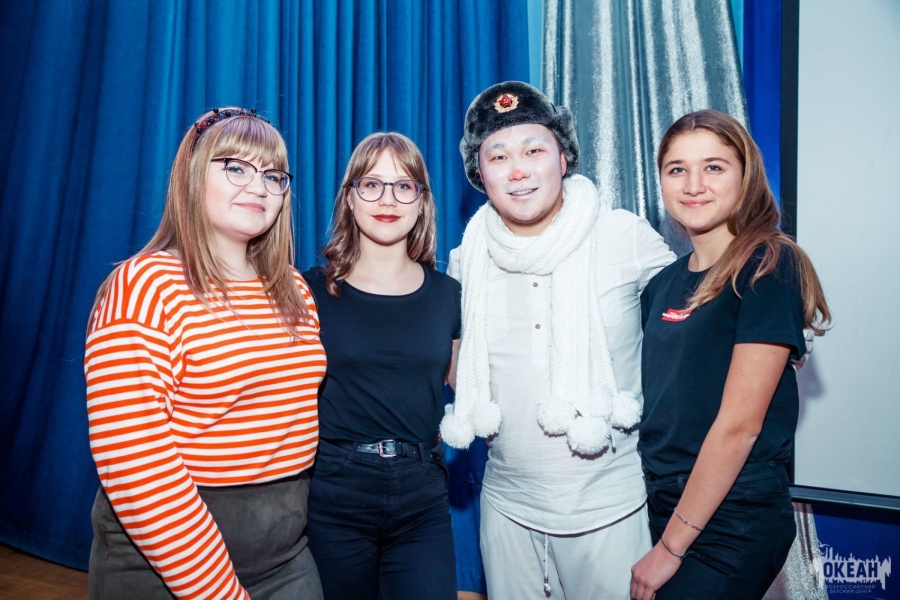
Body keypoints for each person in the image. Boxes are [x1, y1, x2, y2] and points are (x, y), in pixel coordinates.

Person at [439, 81, 675, 599]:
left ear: (564, 157)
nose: (517, 170)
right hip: (506, 510)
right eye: (498, 156)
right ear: (480, 174)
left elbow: (697, 321)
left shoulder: (624, 236)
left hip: (611, 509)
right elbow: (453, 368)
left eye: (533, 150)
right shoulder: (465, 260)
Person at [84, 107, 325, 599]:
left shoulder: (295, 289)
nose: (258, 186)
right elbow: (135, 464)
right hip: (162, 558)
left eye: (273, 175)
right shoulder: (145, 285)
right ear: (193, 176)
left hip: (285, 553)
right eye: (236, 167)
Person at [630, 109, 831, 600]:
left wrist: (671, 548)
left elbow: (739, 427)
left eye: (714, 167)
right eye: (677, 169)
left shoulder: (768, 265)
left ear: (746, 176)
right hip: (667, 504)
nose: (693, 185)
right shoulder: (661, 286)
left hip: (733, 515)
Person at [302, 132, 460, 600]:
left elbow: (472, 387)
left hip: (422, 494)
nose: (388, 200)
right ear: (350, 198)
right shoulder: (309, 290)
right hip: (335, 491)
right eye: (371, 185)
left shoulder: (449, 294)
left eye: (404, 186)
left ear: (421, 201)